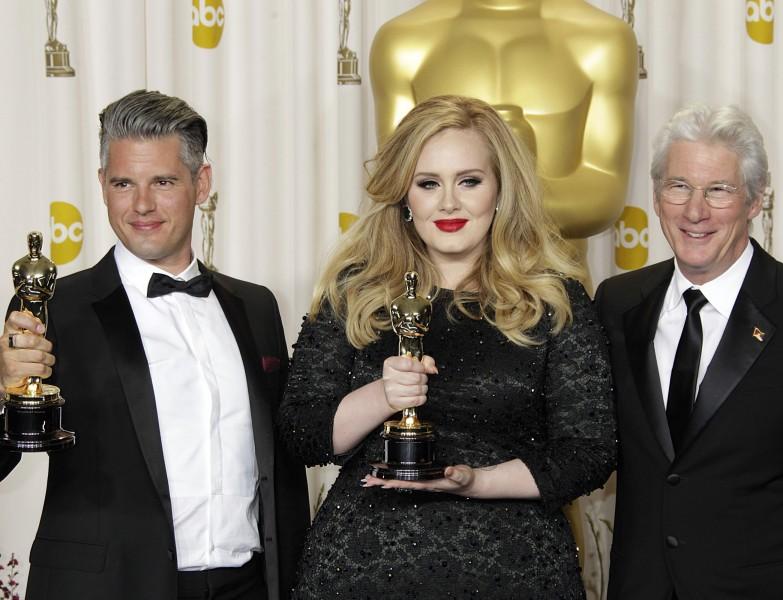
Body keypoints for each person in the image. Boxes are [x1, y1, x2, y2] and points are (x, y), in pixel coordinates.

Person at [278, 95, 616, 598]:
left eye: (469, 181)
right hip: (363, 570)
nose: (449, 203)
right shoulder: (355, 292)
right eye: (428, 183)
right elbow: (302, 434)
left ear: (501, 189)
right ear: (403, 195)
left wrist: (476, 481)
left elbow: (589, 452)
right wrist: (383, 395)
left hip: (513, 570)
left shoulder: (553, 300)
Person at [0, 90, 308, 600]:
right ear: (102, 186)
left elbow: (284, 462)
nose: (141, 205)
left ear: (201, 183)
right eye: (124, 183)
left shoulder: (256, 307)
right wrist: (5, 391)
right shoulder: (56, 306)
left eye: (162, 182)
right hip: (109, 588)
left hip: (248, 587)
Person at [595, 104, 783, 599]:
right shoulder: (617, 303)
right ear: (655, 196)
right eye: (679, 187)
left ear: (756, 199)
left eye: (718, 190)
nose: (695, 211)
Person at [370, 0, 638, 274]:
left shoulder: (603, 38)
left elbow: (602, 201)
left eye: (470, 181)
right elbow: (394, 186)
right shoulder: (402, 41)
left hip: (555, 293)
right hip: (426, 295)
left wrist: (506, 170)